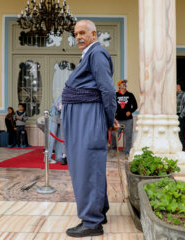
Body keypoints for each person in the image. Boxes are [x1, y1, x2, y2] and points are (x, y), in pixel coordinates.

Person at [62, 20, 118, 238]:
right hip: (83, 115)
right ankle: (99, 211)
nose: (78, 37)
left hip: (87, 117)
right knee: (89, 164)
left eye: (83, 33)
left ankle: (92, 222)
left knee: (86, 165)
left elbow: (107, 90)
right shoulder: (89, 54)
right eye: (76, 34)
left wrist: (109, 118)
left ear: (94, 34)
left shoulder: (97, 53)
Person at [114, 79, 137, 159]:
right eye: (122, 83)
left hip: (128, 120)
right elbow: (111, 105)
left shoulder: (130, 95)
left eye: (125, 83)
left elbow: (135, 106)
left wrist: (130, 112)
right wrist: (114, 113)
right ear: (119, 86)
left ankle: (127, 153)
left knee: (129, 137)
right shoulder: (115, 95)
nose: (124, 84)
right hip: (118, 120)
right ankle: (114, 151)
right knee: (114, 135)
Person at [48, 95, 67, 165]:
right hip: (53, 118)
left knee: (59, 139)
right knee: (51, 139)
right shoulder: (64, 95)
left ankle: (58, 157)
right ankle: (48, 158)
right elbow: (58, 106)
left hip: (59, 119)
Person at [176, 82, 185, 150]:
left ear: (179, 86)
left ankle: (182, 148)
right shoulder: (173, 95)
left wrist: (181, 115)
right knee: (175, 132)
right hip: (174, 115)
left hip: (180, 115)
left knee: (180, 133)